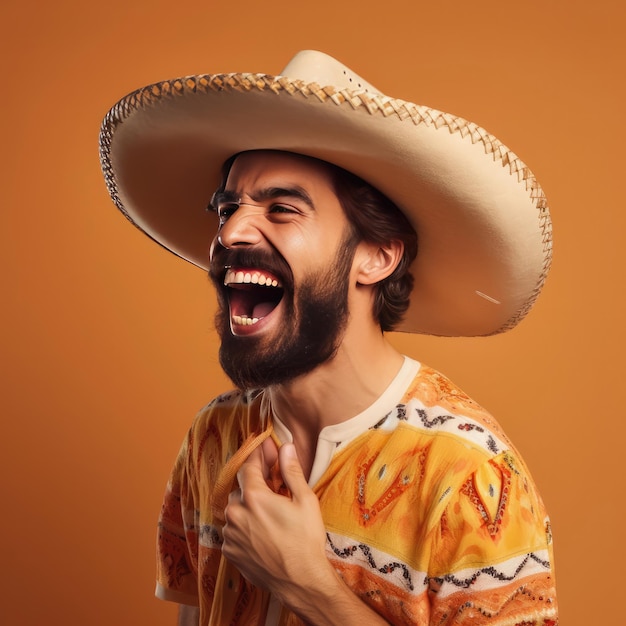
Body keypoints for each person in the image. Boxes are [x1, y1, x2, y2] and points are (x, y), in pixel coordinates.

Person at [100, 51, 558, 625]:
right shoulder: (213, 437)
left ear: (376, 256)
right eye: (229, 207)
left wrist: (308, 585)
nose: (231, 232)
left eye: (283, 208)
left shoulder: (471, 476)